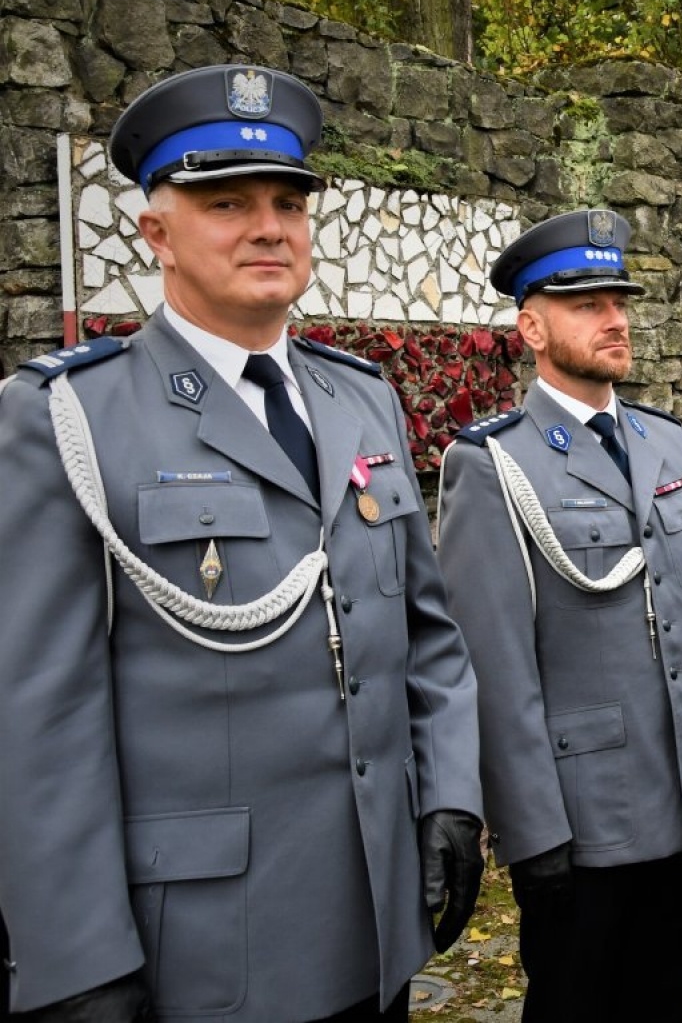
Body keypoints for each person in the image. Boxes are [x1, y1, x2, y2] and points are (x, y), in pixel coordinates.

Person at [0, 64, 483, 1020]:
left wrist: (452, 798)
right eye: (227, 202)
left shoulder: (364, 398)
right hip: (206, 951)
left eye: (287, 202)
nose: (269, 226)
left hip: (378, 924)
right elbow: (38, 722)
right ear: (156, 232)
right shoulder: (70, 420)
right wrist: (80, 964)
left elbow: (428, 637)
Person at [435, 210, 682, 1022]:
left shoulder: (668, 443)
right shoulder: (494, 464)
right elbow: (494, 660)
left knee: (667, 1003)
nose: (615, 318)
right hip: (583, 818)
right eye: (587, 303)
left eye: (619, 300)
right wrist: (532, 833)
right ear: (532, 326)